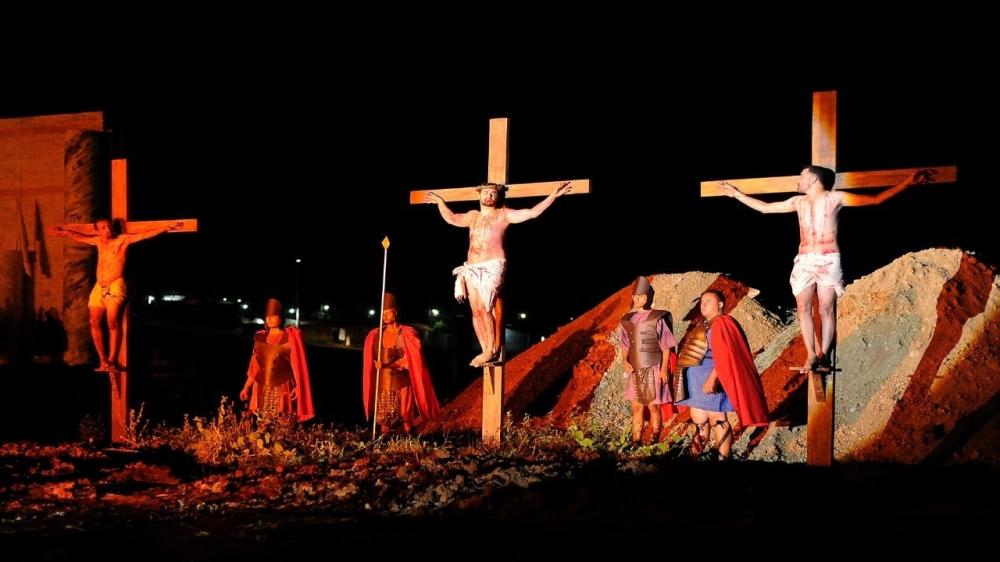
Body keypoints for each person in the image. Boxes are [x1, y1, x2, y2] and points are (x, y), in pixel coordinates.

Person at [719, 167, 934, 372]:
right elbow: (765, 208)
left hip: (828, 259)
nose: (798, 180)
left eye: (802, 176)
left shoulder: (835, 198)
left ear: (813, 179)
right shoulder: (798, 202)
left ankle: (823, 353)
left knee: (825, 308)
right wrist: (737, 195)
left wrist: (907, 182)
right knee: (803, 307)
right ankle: (811, 353)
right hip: (804, 259)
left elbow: (875, 200)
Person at [425, 181, 572, 367]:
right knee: (476, 310)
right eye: (486, 193)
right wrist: (440, 203)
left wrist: (552, 196)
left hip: (492, 266)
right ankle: (486, 349)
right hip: (472, 267)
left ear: (498, 197)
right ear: (479, 195)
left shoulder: (504, 215)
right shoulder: (473, 216)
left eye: (493, 194)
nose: (489, 196)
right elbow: (452, 218)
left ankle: (491, 350)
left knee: (486, 307)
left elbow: (532, 212)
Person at [54, 218, 182, 372]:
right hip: (99, 286)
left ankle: (113, 360)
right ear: (98, 230)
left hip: (116, 284)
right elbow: (81, 237)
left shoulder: (123, 240)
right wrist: (66, 232)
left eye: (109, 227)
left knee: (113, 322)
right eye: (103, 228)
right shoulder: (98, 241)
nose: (107, 230)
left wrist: (165, 227)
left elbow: (145, 234)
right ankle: (103, 360)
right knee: (93, 321)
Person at [675, 290, 769, 459]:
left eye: (708, 301)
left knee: (717, 420)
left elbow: (727, 355)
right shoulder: (705, 324)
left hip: (711, 382)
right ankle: (693, 459)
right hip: (695, 385)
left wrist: (712, 379)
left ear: (720, 305)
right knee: (699, 422)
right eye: (702, 301)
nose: (703, 305)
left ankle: (723, 460)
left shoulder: (722, 323)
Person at [363, 293, 440, 435]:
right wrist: (377, 365)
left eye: (387, 313)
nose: (384, 316)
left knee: (406, 419)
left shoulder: (406, 334)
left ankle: (411, 448)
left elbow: (411, 359)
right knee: (384, 422)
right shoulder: (375, 335)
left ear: (395, 313)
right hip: (384, 383)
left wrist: (390, 365)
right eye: (382, 314)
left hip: (402, 383)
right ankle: (382, 450)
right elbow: (371, 360)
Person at [617, 276, 677, 445]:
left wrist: (664, 369)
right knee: (636, 407)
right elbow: (625, 344)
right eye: (636, 296)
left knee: (653, 406)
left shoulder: (656, 318)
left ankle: (655, 440)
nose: (638, 299)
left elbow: (666, 346)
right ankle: (635, 441)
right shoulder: (627, 320)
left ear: (648, 297)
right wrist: (625, 361)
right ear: (632, 298)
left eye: (642, 296)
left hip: (654, 368)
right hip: (635, 369)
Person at [239, 298, 315, 422]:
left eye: (273, 316)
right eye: (267, 316)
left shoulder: (290, 337)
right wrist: (246, 387)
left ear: (281, 317)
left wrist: (298, 386)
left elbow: (296, 364)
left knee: (282, 424)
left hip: (282, 385)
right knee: (262, 423)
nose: (269, 319)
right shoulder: (260, 337)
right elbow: (255, 366)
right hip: (261, 386)